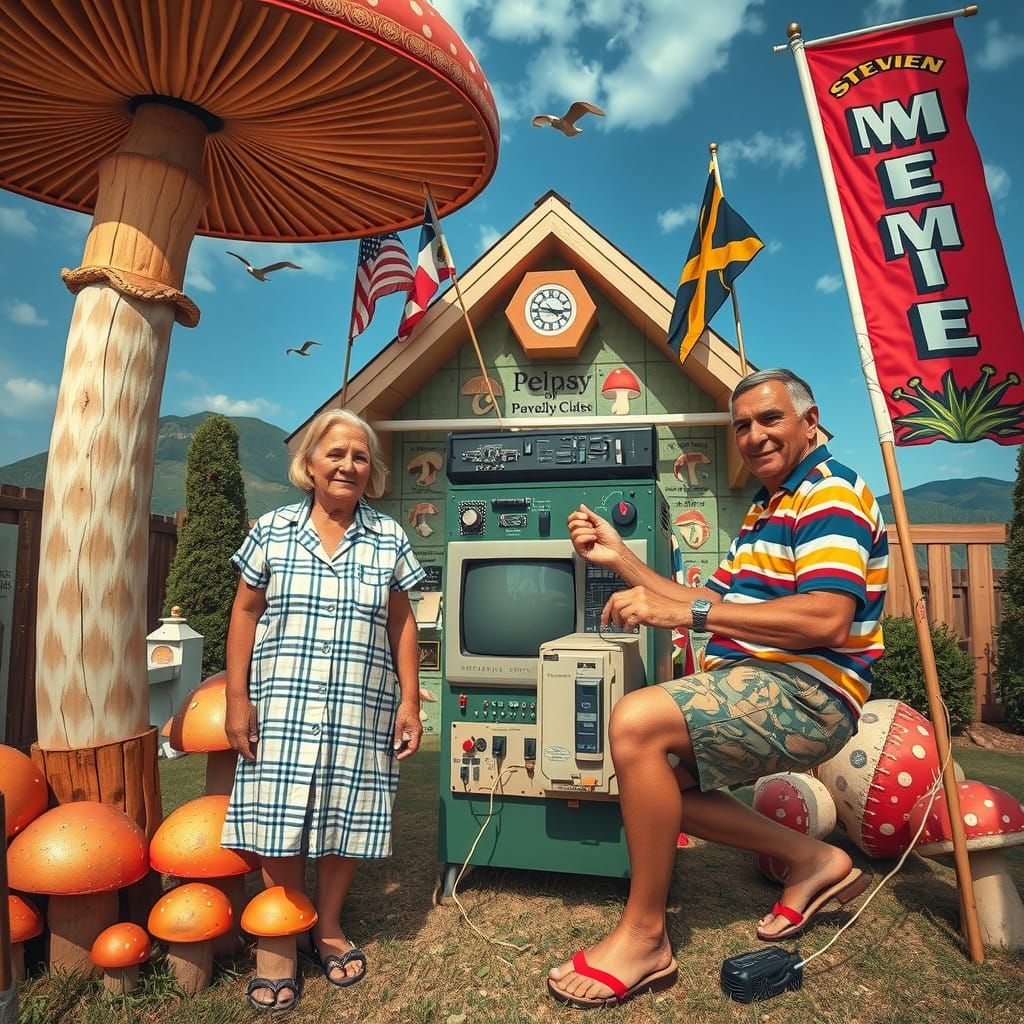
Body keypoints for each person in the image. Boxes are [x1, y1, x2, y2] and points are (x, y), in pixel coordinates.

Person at [548, 368, 888, 1009]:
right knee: (664, 785)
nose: (754, 435)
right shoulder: (767, 509)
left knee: (634, 722)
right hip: (757, 680)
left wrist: (689, 616)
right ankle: (814, 860)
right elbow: (707, 600)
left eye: (770, 419)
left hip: (807, 690)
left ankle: (646, 936)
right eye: (742, 425)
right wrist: (621, 558)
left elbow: (825, 617)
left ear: (809, 422)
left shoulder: (830, 492)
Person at [222, 408, 425, 1011]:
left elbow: (401, 621)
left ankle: (327, 927)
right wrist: (238, 698)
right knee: (278, 815)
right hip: (281, 703)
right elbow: (245, 613)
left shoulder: (389, 537)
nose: (348, 465)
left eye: (360, 457)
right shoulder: (273, 530)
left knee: (348, 816)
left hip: (362, 707)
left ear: (372, 472)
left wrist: (410, 700)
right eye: (335, 453)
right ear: (308, 464)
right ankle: (281, 930)